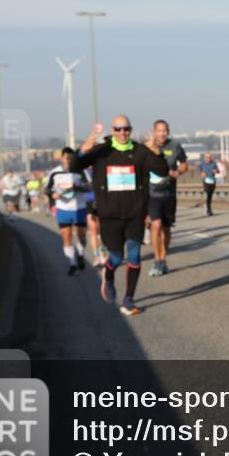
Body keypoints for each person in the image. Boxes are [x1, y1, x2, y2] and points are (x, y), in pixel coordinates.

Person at [71, 115, 168, 317]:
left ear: (130, 130)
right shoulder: (102, 151)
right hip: (109, 216)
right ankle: (108, 274)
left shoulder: (140, 151)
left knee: (134, 255)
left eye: (126, 129)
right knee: (116, 256)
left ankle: (129, 300)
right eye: (118, 129)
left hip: (134, 215)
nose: (123, 133)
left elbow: (163, 170)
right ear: (113, 130)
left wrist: (154, 149)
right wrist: (87, 142)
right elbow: (74, 166)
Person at [147, 120, 189, 275]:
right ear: (154, 131)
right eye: (159, 130)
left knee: (166, 228)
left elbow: (184, 164)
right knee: (156, 225)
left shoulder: (175, 146)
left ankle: (163, 259)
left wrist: (178, 172)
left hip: (169, 194)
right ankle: (157, 261)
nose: (162, 133)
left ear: (168, 131)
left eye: (164, 130)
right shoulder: (148, 147)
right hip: (152, 194)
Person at [45, 147, 90, 275]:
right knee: (66, 236)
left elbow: (90, 187)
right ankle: (72, 264)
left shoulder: (80, 171)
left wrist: (76, 187)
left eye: (72, 158)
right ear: (62, 158)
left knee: (81, 236)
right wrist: (53, 195)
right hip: (63, 209)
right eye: (67, 158)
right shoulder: (55, 173)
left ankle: (80, 255)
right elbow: (47, 189)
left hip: (79, 207)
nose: (69, 161)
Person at [198, 152, 219, 216]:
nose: (208, 159)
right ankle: (208, 209)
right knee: (208, 194)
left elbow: (218, 170)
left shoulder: (214, 163)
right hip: (206, 181)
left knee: (210, 195)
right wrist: (202, 174)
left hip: (213, 181)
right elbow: (200, 171)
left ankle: (208, 206)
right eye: (207, 157)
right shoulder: (202, 164)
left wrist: (215, 171)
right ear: (205, 158)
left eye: (209, 157)